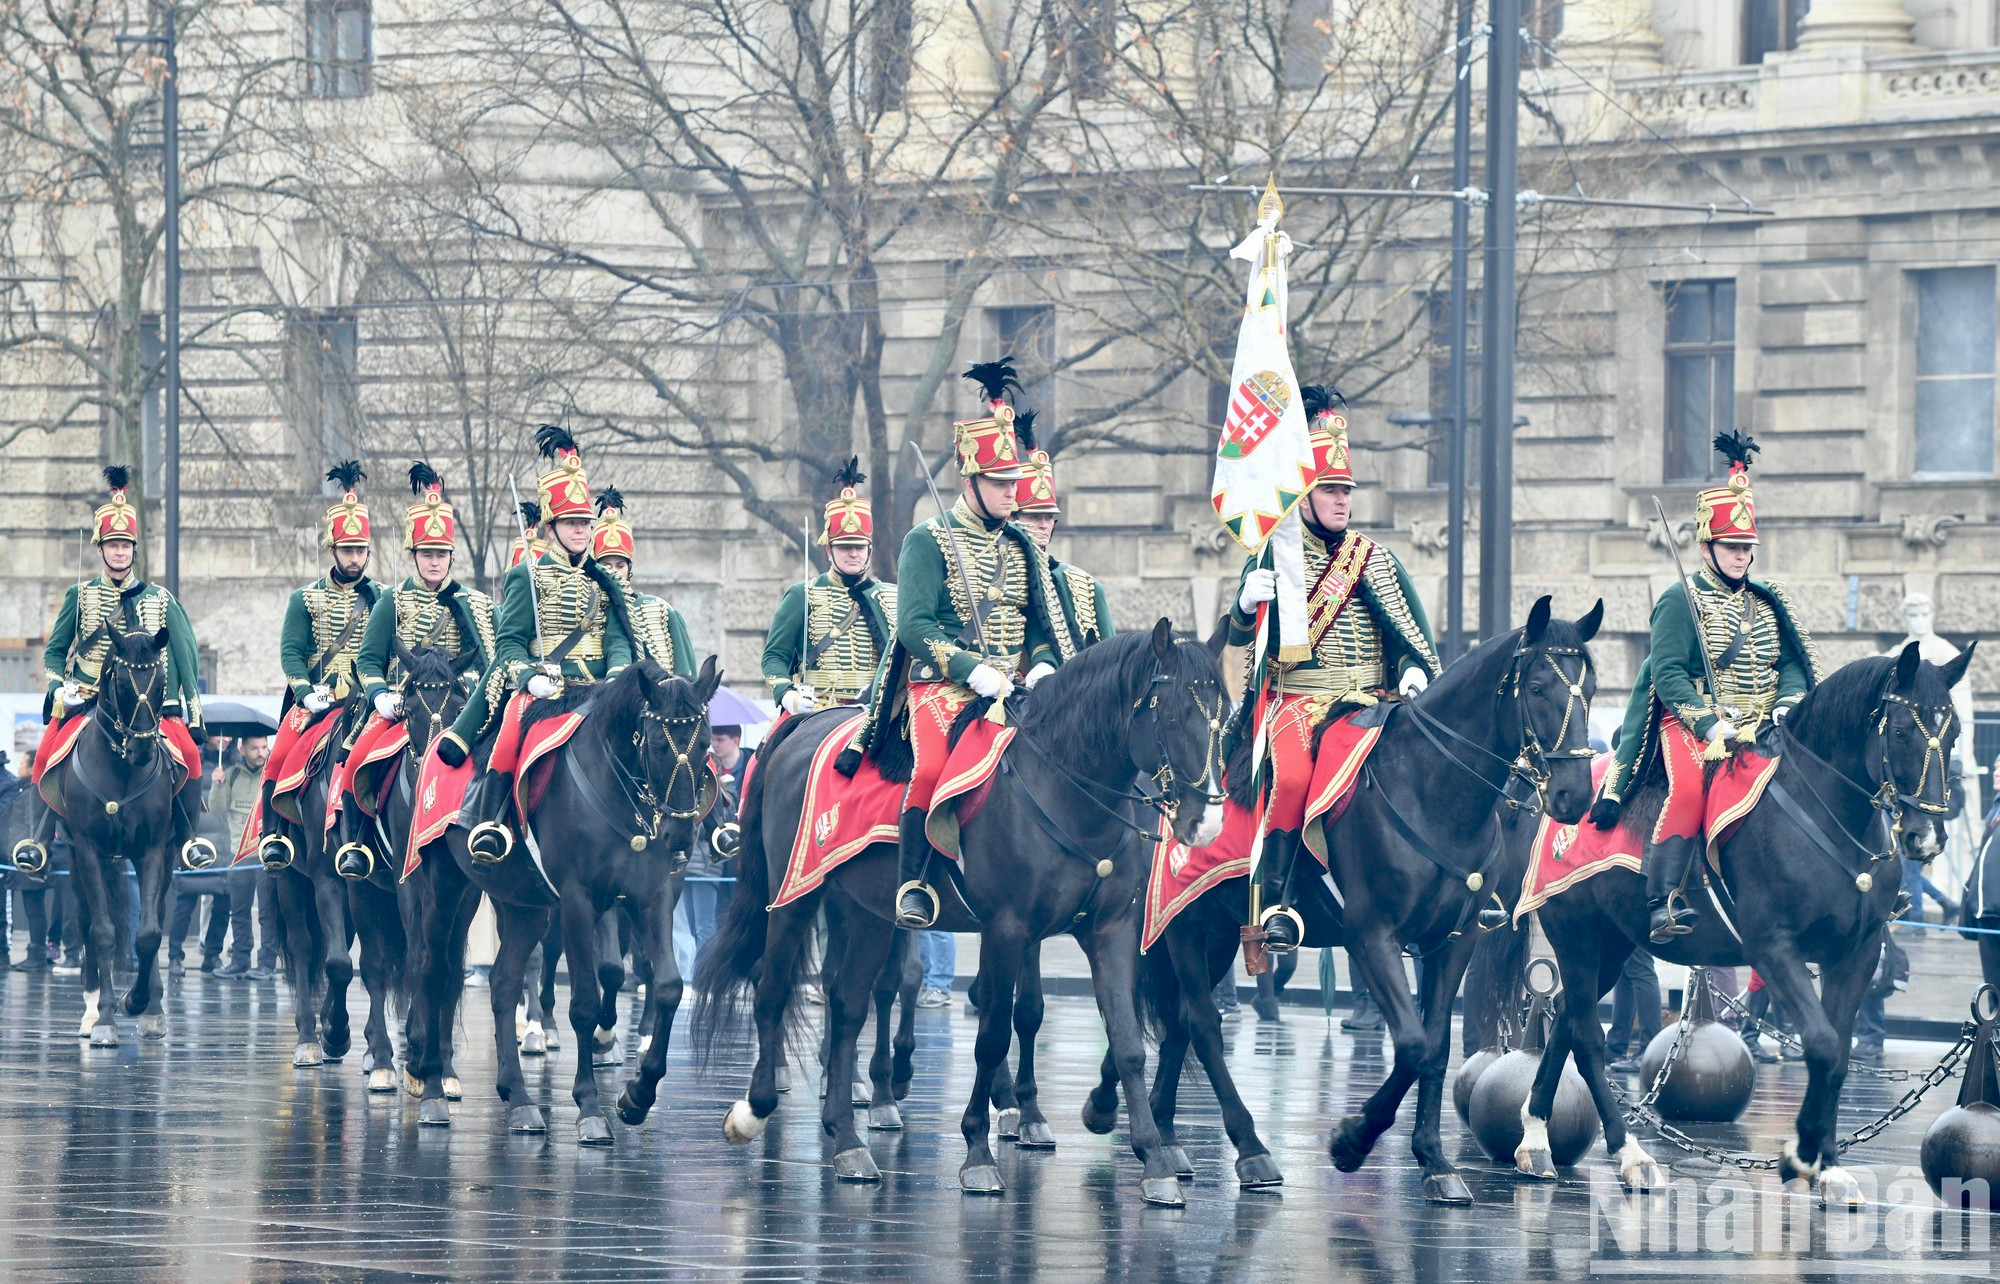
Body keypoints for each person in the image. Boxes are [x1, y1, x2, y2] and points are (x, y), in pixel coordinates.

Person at [851, 358, 1075, 930]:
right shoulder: (926, 540)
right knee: (932, 772)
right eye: (1001, 484)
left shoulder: (1024, 544)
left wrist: (1046, 668)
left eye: (1014, 484)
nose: (1011, 493)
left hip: (1014, 688)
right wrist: (973, 670)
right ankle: (915, 882)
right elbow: (914, 627)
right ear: (971, 480)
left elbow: (1040, 629)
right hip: (944, 689)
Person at [1585, 432, 1822, 942]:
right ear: (1707, 546)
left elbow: (1793, 665)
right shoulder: (1679, 599)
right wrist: (1709, 721)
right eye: (1732, 547)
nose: (1741, 557)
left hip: (1762, 723)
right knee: (1690, 787)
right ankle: (1661, 899)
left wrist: (1787, 704)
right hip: (1694, 724)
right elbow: (1668, 673)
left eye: (1746, 548)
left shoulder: (1768, 601)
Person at [1227, 387, 1440, 951]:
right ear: (1305, 494)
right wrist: (1246, 603)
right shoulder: (1276, 552)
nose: (1342, 500)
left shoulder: (1375, 557)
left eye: (1347, 490)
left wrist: (1414, 670)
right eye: (1330, 489)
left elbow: (1410, 632)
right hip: (1301, 701)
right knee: (1293, 778)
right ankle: (1277, 901)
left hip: (1374, 703)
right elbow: (1239, 638)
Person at [439, 425, 637, 866]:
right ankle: (490, 817)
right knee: (510, 728)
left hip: (600, 690)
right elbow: (509, 643)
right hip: (549, 689)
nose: (581, 531)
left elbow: (620, 638)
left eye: (585, 523)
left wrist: (620, 673)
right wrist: (530, 675)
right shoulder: (527, 576)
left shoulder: (606, 580)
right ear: (551, 527)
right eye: (571, 523)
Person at [15, 467, 209, 874]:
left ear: (134, 550)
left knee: (189, 755)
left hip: (145, 709)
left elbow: (186, 658)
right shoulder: (80, 596)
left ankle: (190, 838)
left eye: (126, 545)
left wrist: (191, 712)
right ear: (100, 548)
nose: (120, 552)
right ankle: (39, 841)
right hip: (89, 702)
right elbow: (53, 654)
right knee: (45, 757)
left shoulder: (161, 599)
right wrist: (58, 690)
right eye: (112, 544)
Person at [335, 463, 497, 878]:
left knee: (501, 759)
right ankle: (358, 842)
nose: (434, 562)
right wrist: (379, 695)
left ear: (450, 557)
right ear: (413, 555)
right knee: (355, 758)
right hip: (405, 705)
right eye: (427, 554)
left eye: (441, 555)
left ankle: (495, 833)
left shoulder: (476, 604)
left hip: (461, 708)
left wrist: (474, 688)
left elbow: (491, 661)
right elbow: (369, 661)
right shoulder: (392, 601)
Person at [245, 462, 381, 869]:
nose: (355, 559)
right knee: (280, 754)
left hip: (369, 702)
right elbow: (291, 653)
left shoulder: (383, 598)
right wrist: (305, 691)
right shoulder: (305, 599)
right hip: (319, 701)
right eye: (348, 550)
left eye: (360, 551)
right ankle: (275, 834)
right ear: (332, 549)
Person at [762, 458, 897, 714]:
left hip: (877, 711)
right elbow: (774, 657)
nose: (853, 554)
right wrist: (787, 694)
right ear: (829, 550)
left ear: (869, 550)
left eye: (859, 547)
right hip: (818, 707)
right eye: (845, 547)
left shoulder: (891, 596)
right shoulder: (802, 594)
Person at [1011, 412, 1114, 647]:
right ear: (1012, 517)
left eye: (1049, 517)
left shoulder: (1085, 586)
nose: (1044, 524)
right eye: (1034, 516)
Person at [590, 487, 694, 676]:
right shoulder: (587, 609)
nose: (613, 571)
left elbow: (684, 672)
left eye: (620, 565)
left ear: (630, 569)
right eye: (606, 565)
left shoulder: (659, 608)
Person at [209, 734, 269, 978]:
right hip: (238, 855)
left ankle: (266, 963)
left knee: (268, 913)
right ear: (243, 749)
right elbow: (217, 810)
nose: (261, 753)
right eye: (254, 748)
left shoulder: (272, 773)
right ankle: (240, 960)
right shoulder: (231, 773)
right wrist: (217, 784)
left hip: (267, 857)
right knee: (239, 912)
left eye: (264, 747)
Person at [683, 724, 743, 954]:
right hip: (690, 867)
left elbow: (721, 829)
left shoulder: (724, 795)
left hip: (706, 867)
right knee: (691, 926)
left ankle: (701, 980)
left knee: (705, 926)